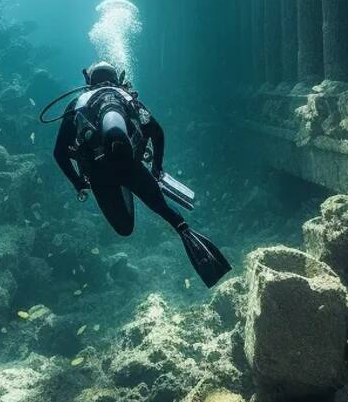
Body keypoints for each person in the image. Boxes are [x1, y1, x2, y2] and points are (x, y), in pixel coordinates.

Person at [52, 61, 231, 288]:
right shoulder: (126, 98)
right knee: (169, 214)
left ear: (89, 82)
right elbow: (157, 133)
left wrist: (79, 184)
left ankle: (123, 185)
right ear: (117, 79)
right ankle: (189, 235)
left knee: (125, 229)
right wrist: (156, 167)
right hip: (132, 168)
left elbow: (59, 153)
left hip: (100, 176)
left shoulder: (78, 105)